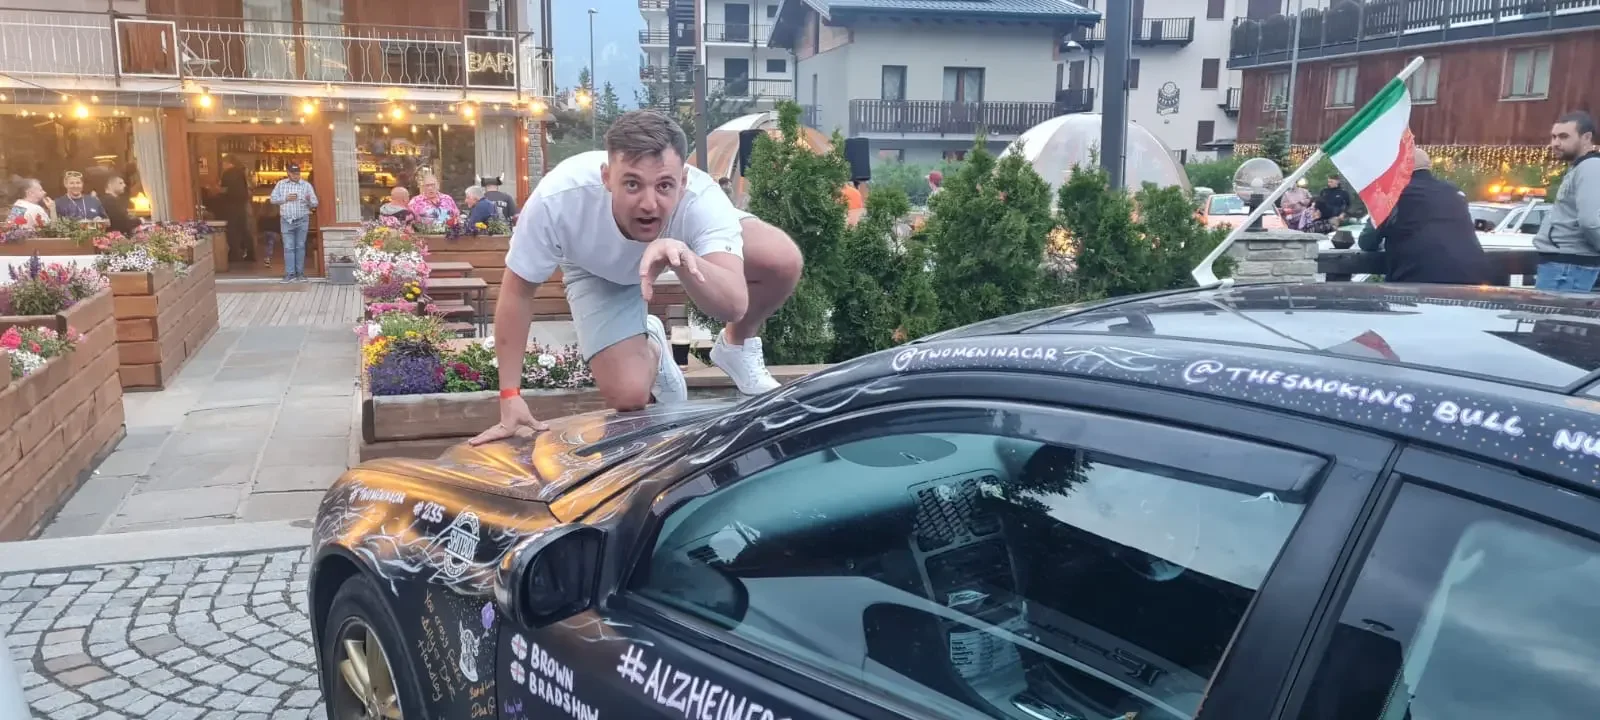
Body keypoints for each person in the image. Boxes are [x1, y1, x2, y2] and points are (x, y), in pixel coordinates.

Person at [468, 110, 804, 445]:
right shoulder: (557, 200)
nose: (649, 204)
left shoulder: (701, 201)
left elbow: (733, 304)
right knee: (628, 397)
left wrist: (684, 258)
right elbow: (517, 291)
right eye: (632, 184)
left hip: (683, 249)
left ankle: (736, 347)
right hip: (595, 268)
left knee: (781, 259)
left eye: (664, 186)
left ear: (683, 182)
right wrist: (510, 395)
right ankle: (654, 346)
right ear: (606, 177)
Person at [1357, 148, 1488, 284]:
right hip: (1472, 278)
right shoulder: (1453, 191)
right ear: (1428, 166)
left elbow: (1367, 241)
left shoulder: (1391, 194)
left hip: (1417, 281)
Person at [1533, 110, 1600, 291]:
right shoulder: (1581, 167)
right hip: (1565, 264)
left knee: (1553, 319)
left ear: (1586, 137)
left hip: (1568, 266)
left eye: (1563, 137)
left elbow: (1590, 222)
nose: (1555, 143)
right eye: (1553, 137)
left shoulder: (1591, 167)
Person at [268, 163, 317, 283]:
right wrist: (285, 199)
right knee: (289, 247)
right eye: (294, 173)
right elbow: (272, 199)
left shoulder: (306, 185)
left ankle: (300, 274)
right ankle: (290, 274)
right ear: (288, 173)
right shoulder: (281, 185)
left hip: (302, 219)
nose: (296, 176)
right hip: (286, 220)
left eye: (298, 173)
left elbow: (315, 203)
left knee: (300, 247)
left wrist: (308, 200)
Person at [214, 156, 254, 262]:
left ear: (228, 163)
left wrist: (216, 190)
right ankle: (251, 253)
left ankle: (234, 254)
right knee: (244, 229)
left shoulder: (228, 174)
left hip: (231, 205)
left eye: (223, 163)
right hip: (242, 204)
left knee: (232, 230)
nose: (222, 165)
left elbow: (225, 189)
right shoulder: (241, 173)